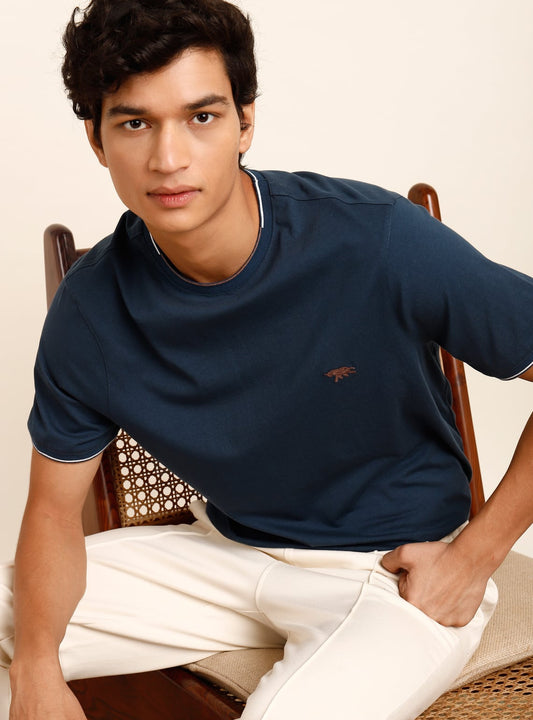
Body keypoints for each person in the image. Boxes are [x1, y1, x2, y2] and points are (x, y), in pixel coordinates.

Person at [1, 0, 533, 718]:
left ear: (245, 121)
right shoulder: (91, 309)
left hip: (390, 570)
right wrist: (37, 668)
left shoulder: (373, 238)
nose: (168, 158)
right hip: (223, 551)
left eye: (201, 116)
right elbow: (53, 514)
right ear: (97, 139)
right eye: (134, 123)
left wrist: (474, 557)